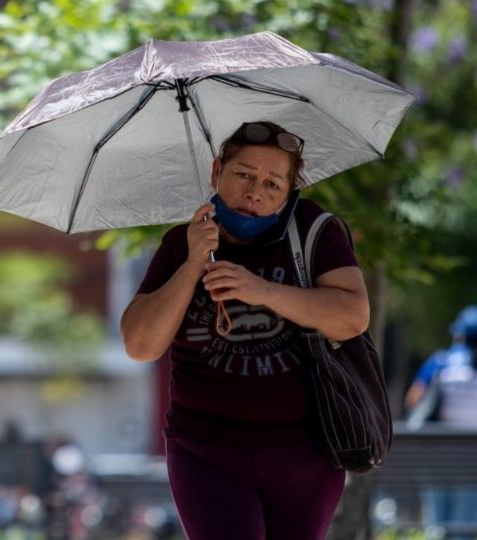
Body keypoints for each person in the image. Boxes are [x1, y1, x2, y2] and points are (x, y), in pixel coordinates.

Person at [121, 121, 370, 540]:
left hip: (307, 450)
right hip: (206, 451)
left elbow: (353, 316)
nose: (256, 192)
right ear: (216, 170)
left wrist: (263, 291)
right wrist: (192, 263)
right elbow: (141, 345)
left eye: (273, 184)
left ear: (291, 191)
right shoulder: (183, 242)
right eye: (243, 175)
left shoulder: (313, 231)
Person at [404, 305, 477, 536]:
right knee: (464, 525)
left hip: (436, 454)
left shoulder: (440, 362)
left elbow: (413, 400)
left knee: (437, 524)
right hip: (471, 456)